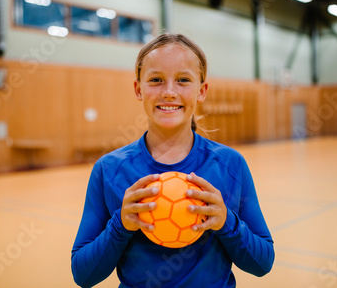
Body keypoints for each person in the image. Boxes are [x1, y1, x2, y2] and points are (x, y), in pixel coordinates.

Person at [71, 33, 274, 288]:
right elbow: (83, 274)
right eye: (156, 80)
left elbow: (262, 263)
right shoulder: (109, 169)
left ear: (201, 91)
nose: (169, 92)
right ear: (138, 89)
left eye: (183, 80)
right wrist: (120, 226)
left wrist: (227, 223)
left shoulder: (230, 164)